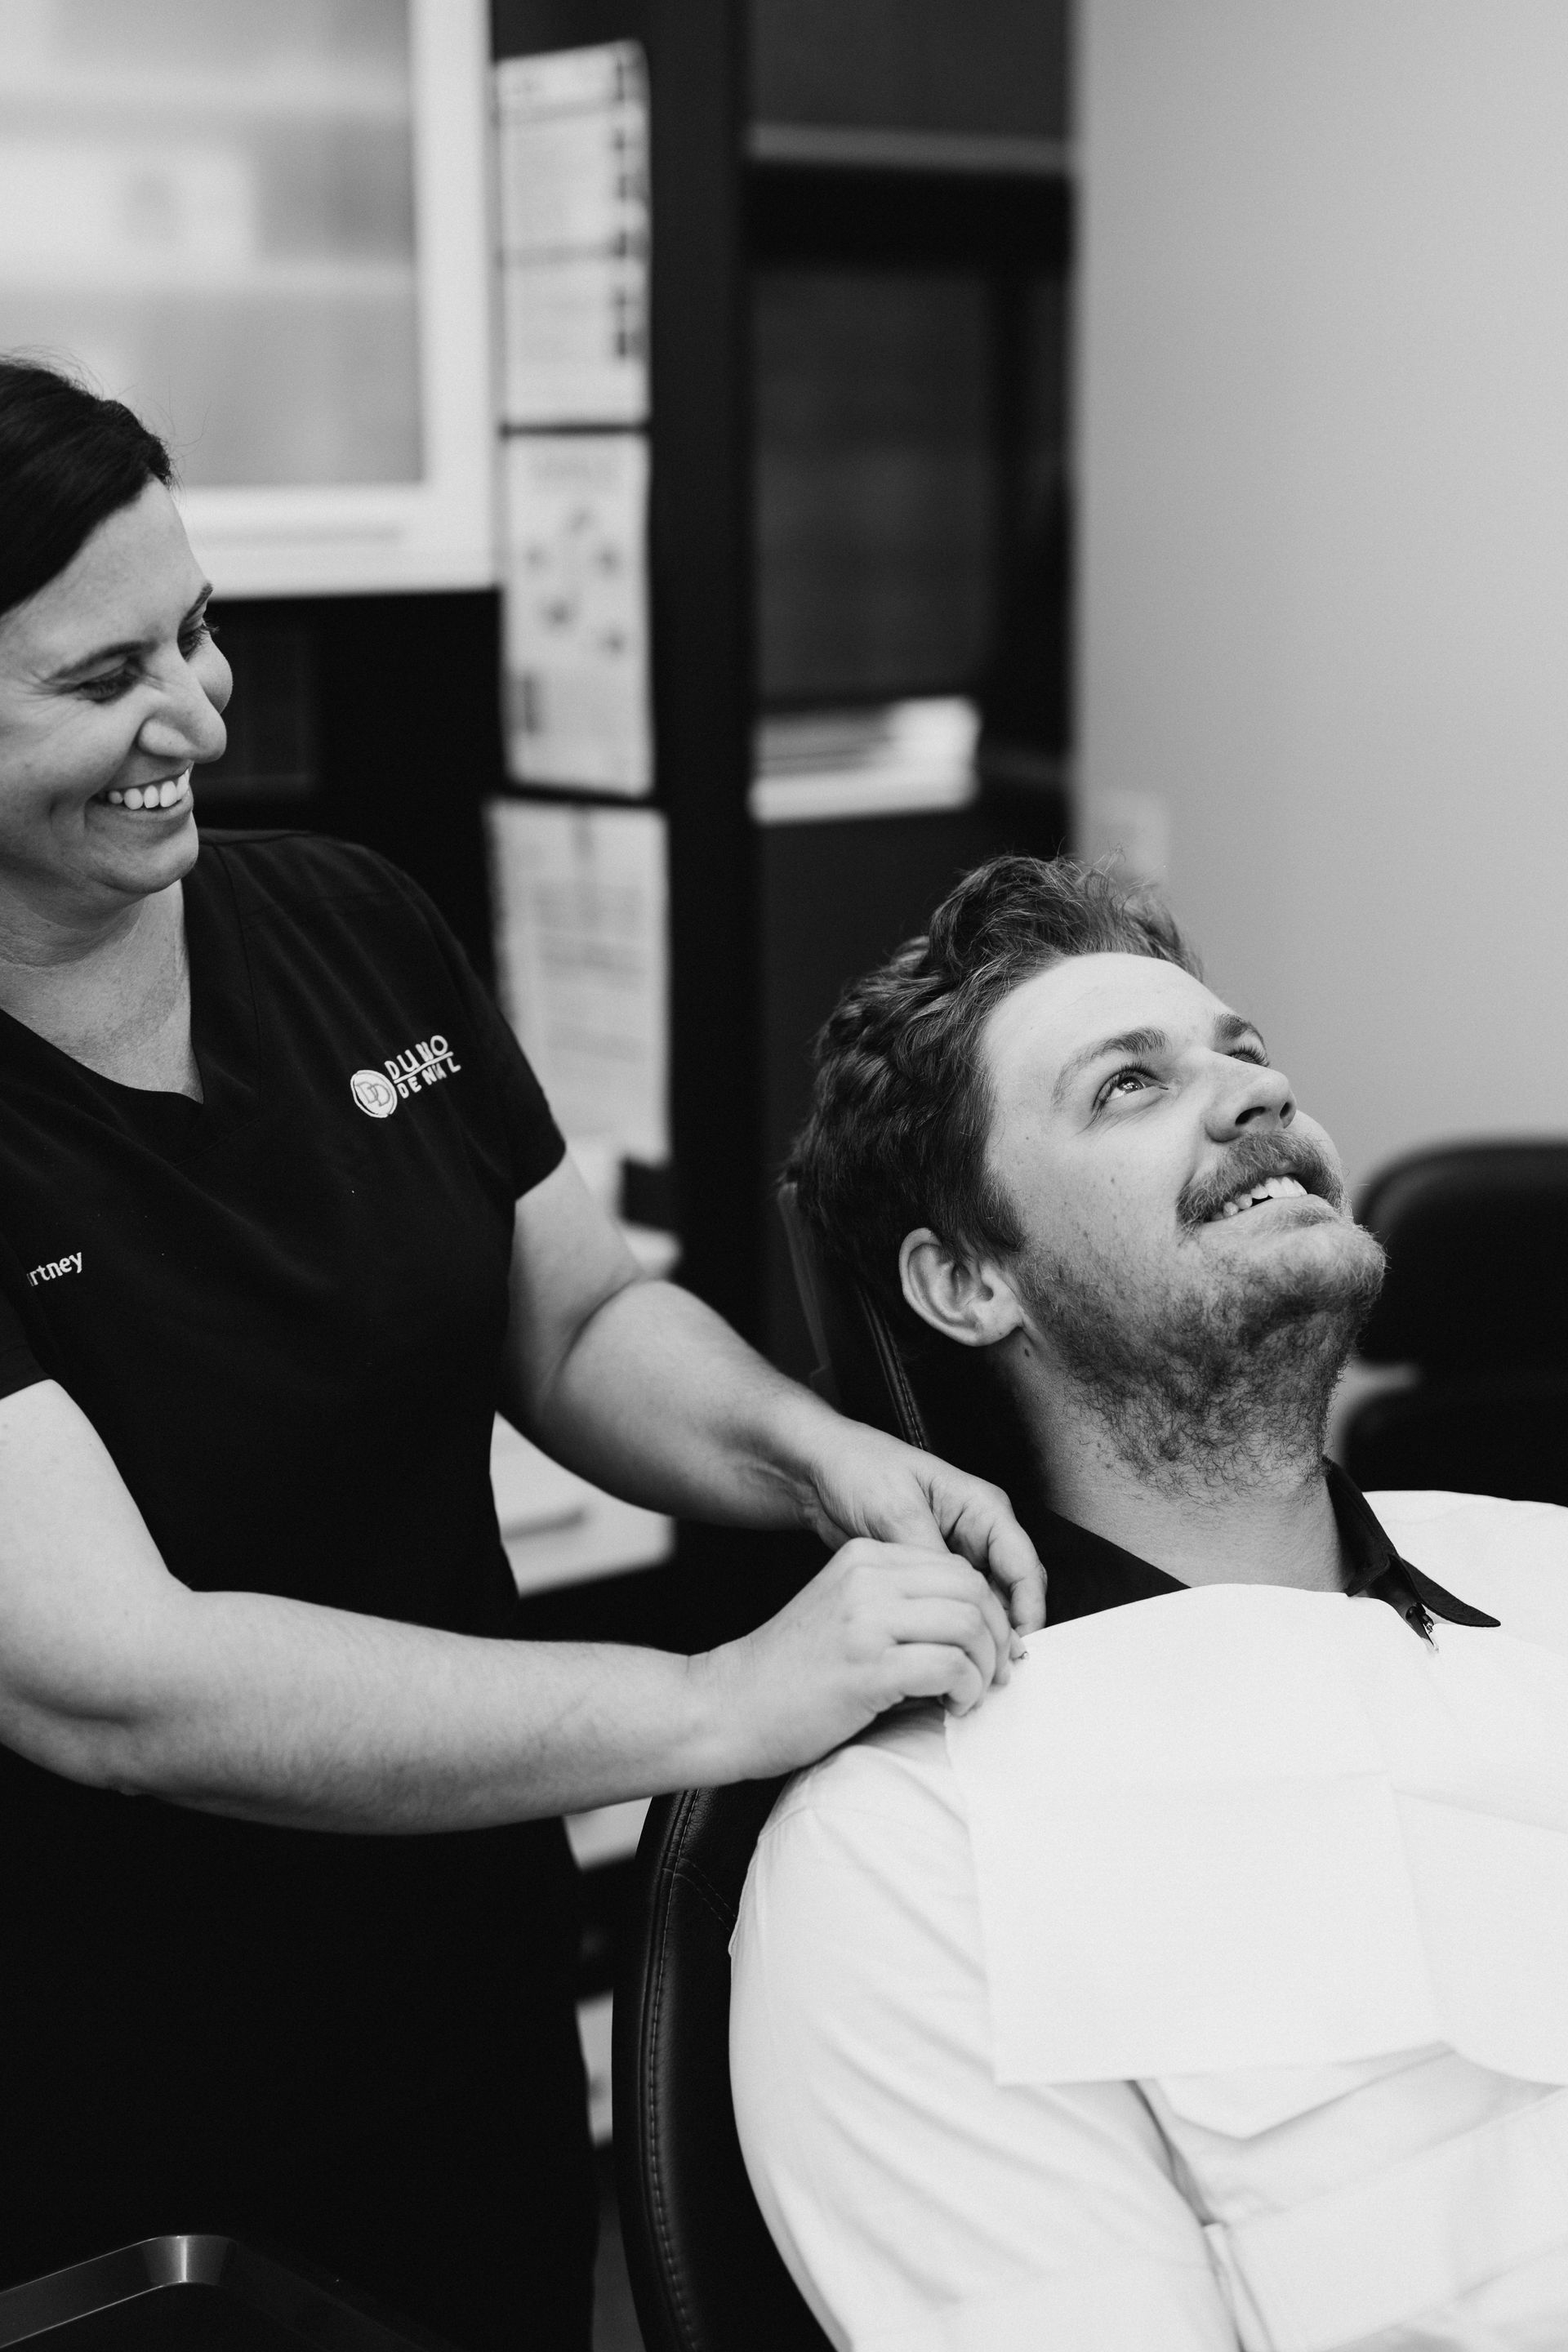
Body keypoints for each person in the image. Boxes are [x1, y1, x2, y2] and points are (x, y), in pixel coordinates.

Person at [0, 359, 1046, 2352]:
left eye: (201, 632)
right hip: (107, 2117)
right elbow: (111, 1684)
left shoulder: (348, 923)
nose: (197, 715)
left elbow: (563, 1314)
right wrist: (713, 1697)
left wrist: (810, 1456)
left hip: (443, 2007)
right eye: (98, 675)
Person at [730, 853, 1568, 2352]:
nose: (1256, 1096)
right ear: (971, 1281)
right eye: (1129, 1086)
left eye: (1245, 1054)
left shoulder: (1546, 1572)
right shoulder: (909, 1859)